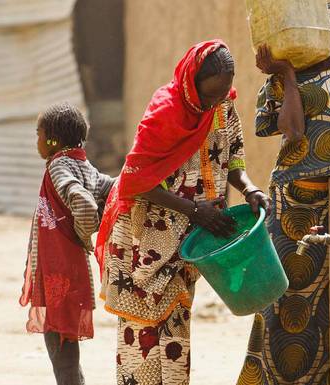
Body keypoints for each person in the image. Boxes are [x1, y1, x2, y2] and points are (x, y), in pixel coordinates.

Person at [96, 40, 269, 385]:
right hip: (144, 240)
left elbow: (233, 158)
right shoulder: (165, 113)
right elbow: (136, 182)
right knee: (141, 334)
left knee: (176, 330)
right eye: (209, 96)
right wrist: (194, 210)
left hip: (187, 238)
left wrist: (249, 188)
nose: (214, 103)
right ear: (192, 84)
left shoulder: (223, 107)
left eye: (222, 93)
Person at [238, 0, 330, 383]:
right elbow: (292, 131)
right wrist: (287, 73)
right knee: (283, 299)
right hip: (291, 202)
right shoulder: (283, 77)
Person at [19, 102, 115, 385]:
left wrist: (83, 234)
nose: (37, 141)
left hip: (58, 268)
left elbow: (83, 203)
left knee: (60, 345)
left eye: (39, 134)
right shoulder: (82, 164)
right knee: (66, 344)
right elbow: (111, 186)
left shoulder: (59, 166)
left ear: (53, 140)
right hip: (70, 267)